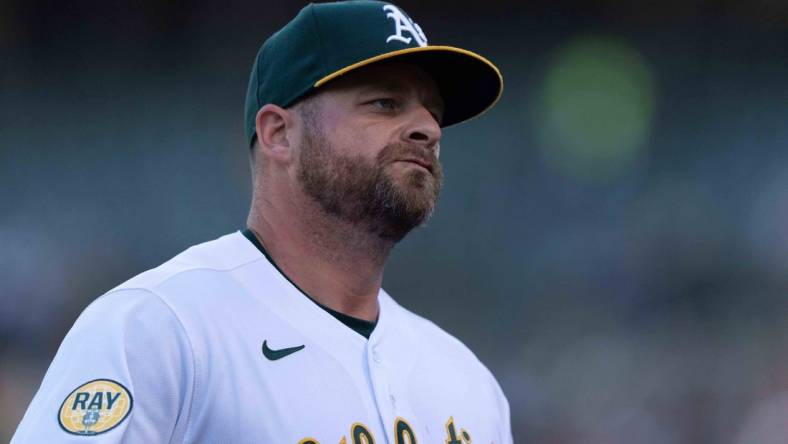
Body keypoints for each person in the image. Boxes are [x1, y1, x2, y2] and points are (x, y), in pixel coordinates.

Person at [12, 1, 510, 443]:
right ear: (278, 134)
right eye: (384, 102)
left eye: (434, 112)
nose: (426, 127)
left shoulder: (469, 383)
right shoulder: (159, 329)